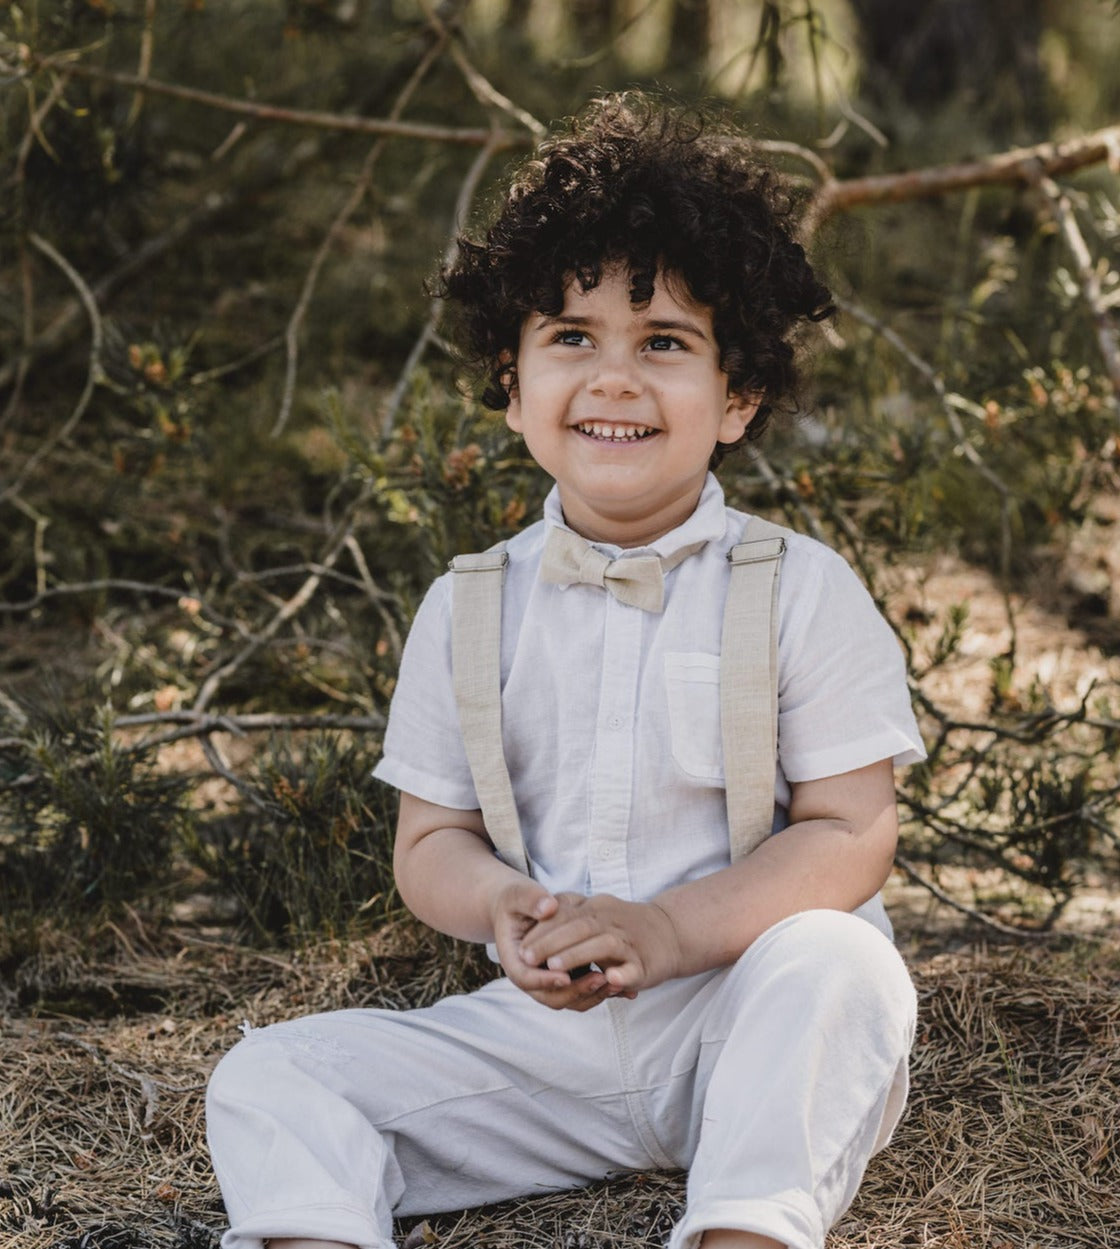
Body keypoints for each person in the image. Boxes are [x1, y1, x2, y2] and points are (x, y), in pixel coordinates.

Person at [205, 92, 926, 1249]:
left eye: (666, 344)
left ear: (737, 396)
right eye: (572, 337)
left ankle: (743, 1226)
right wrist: (500, 905)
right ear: (511, 379)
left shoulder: (799, 587)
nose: (615, 378)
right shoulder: (468, 604)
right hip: (553, 1043)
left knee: (843, 962)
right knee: (271, 1073)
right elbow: (430, 841)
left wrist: (672, 932)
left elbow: (851, 833)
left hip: (742, 1015)